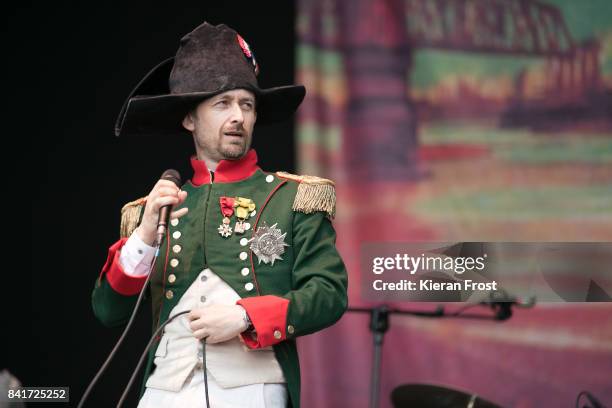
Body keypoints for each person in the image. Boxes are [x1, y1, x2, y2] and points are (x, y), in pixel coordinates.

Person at [91, 22, 348, 408]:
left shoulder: (292, 197)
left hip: (252, 390)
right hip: (163, 392)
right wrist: (143, 238)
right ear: (189, 119)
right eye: (222, 104)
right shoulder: (150, 211)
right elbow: (108, 311)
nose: (238, 117)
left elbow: (328, 295)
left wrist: (245, 317)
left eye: (247, 105)